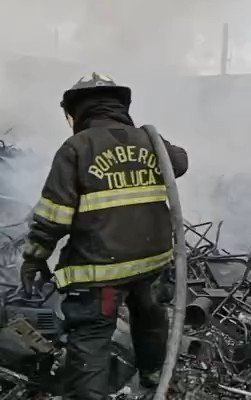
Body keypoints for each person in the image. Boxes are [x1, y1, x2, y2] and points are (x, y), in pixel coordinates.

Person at [19, 73, 188, 399]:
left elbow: (53, 216)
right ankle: (156, 378)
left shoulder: (76, 147)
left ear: (76, 112)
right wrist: (150, 141)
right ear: (120, 107)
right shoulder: (148, 142)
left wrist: (33, 259)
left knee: (92, 339)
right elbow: (179, 162)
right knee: (151, 321)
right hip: (151, 266)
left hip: (102, 276)